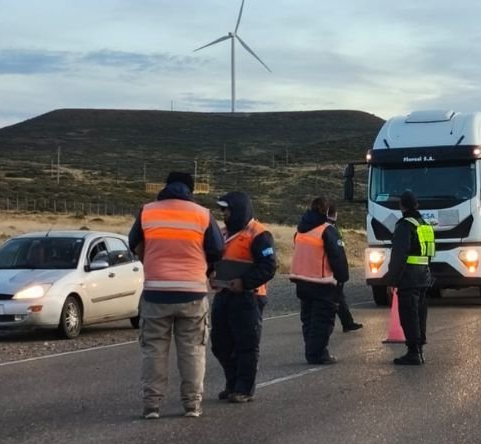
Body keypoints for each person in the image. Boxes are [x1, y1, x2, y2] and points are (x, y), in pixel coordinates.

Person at [129, 171, 223, 419]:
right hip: (192, 292)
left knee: (154, 350)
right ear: (190, 189)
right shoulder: (202, 214)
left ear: (166, 186)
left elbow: (133, 242)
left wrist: (150, 260)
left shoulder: (148, 211)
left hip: (156, 292)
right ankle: (192, 404)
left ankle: (152, 405)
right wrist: (207, 268)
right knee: (192, 350)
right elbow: (217, 249)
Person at [211, 191, 276, 403]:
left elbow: (268, 267)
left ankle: (244, 388)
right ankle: (232, 383)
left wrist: (244, 282)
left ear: (238, 209)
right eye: (221, 210)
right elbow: (211, 261)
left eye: (226, 209)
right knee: (220, 344)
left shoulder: (259, 235)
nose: (223, 213)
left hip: (249, 297)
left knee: (246, 344)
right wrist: (211, 275)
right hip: (223, 294)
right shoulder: (222, 234)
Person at [290, 196, 349, 364]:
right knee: (322, 320)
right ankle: (317, 354)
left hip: (302, 281)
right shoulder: (327, 230)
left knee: (308, 319)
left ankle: (311, 350)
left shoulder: (301, 230)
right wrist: (342, 278)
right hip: (322, 282)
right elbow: (337, 257)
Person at [384, 190, 434, 365]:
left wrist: (391, 281)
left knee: (408, 315)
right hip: (423, 276)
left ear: (401, 206)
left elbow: (399, 256)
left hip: (409, 278)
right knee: (420, 314)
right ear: (417, 205)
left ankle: (413, 352)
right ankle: (419, 349)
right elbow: (429, 254)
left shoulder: (405, 226)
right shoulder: (425, 225)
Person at [327, 203, 363, 333]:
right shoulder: (330, 230)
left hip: (320, 271)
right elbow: (337, 254)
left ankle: (347, 322)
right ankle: (345, 323)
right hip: (329, 271)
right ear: (335, 214)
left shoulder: (317, 228)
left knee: (338, 298)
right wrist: (342, 274)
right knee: (336, 298)